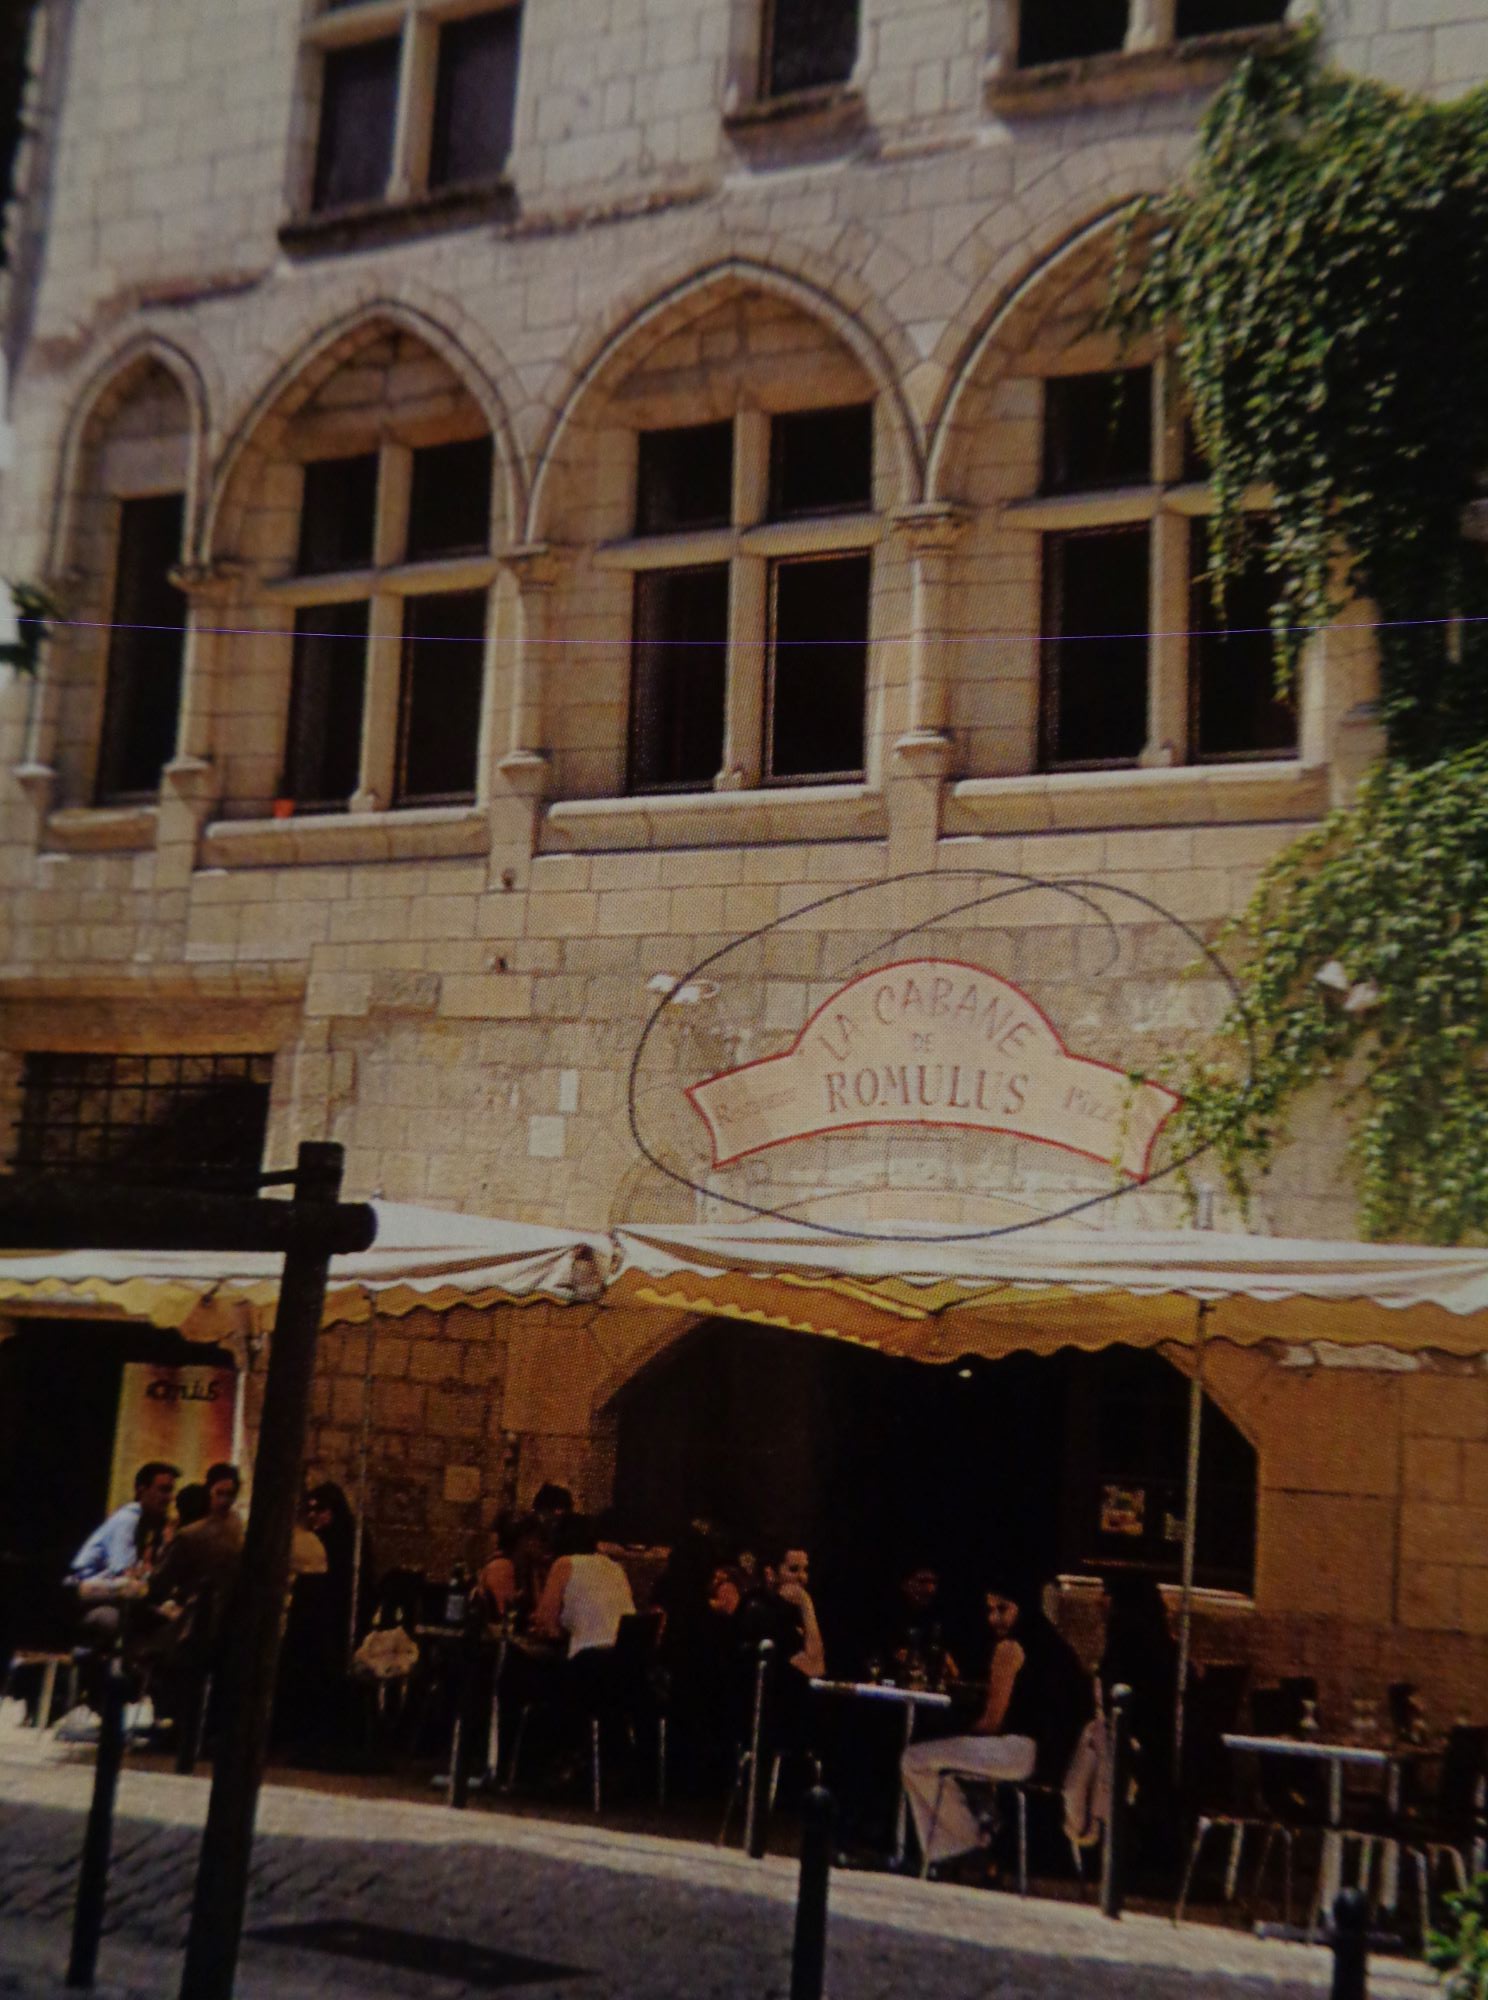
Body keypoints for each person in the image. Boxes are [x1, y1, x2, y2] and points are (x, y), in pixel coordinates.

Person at [900, 1573, 1094, 1876]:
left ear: (1021, 1608)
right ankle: (968, 1842)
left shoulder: (1009, 1649)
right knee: (945, 1761)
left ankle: (966, 1847)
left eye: (1003, 1609)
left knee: (914, 1759)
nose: (994, 1618)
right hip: (1052, 1757)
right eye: (990, 1610)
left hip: (1020, 1751)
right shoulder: (1052, 1645)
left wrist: (953, 1731)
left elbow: (992, 1723)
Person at [1098, 1572, 1179, 1862]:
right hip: (1165, 1756)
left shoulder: (1123, 1642)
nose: (1099, 1602)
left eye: (1105, 1593)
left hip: (1136, 1751)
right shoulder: (1169, 1649)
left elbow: (1108, 1697)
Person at [735, 1543, 826, 1767]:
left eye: (805, 1569)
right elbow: (815, 1668)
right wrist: (807, 1606)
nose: (802, 1577)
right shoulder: (761, 1610)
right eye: (793, 1570)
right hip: (766, 1717)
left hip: (790, 1708)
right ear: (770, 1573)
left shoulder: (791, 1609)